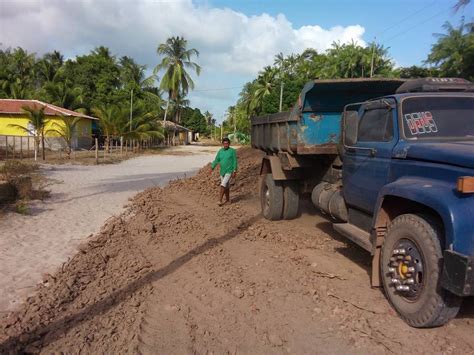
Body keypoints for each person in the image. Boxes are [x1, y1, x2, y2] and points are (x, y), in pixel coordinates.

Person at [210, 137, 238, 206]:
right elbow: (216, 160)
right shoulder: (220, 151)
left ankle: (220, 200)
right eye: (224, 143)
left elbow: (235, 161)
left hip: (229, 171)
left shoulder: (232, 151)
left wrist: (234, 171)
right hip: (222, 171)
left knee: (223, 184)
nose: (225, 145)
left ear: (229, 144)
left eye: (227, 143)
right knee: (226, 186)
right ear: (223, 144)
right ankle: (228, 200)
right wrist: (212, 167)